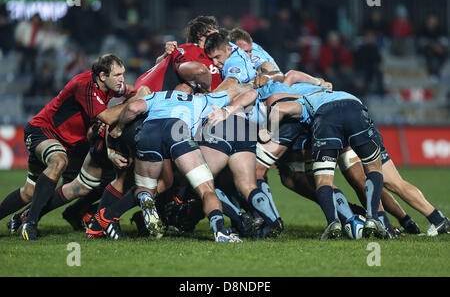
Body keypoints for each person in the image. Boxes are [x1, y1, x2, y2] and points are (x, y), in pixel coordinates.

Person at [91, 82, 252, 242]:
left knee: (147, 187)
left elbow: (134, 108)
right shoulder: (201, 100)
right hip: (179, 133)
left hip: (150, 133)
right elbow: (245, 92)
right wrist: (228, 109)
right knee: (206, 189)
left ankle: (136, 202)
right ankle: (221, 231)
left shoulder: (157, 96)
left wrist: (119, 126)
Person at [0, 54, 138, 240]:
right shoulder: (85, 85)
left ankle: (22, 217)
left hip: (67, 141)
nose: (122, 79)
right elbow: (107, 117)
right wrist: (133, 104)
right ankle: (30, 223)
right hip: (43, 130)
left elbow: (134, 89)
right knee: (59, 161)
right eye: (118, 75)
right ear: (103, 76)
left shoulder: (109, 86)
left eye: (123, 74)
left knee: (29, 192)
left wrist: (143, 89)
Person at [259, 89, 388, 239]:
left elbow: (279, 109)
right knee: (373, 168)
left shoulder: (305, 100)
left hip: (326, 118)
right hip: (354, 110)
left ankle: (333, 223)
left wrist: (268, 131)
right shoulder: (337, 93)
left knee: (323, 179)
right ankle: (373, 219)